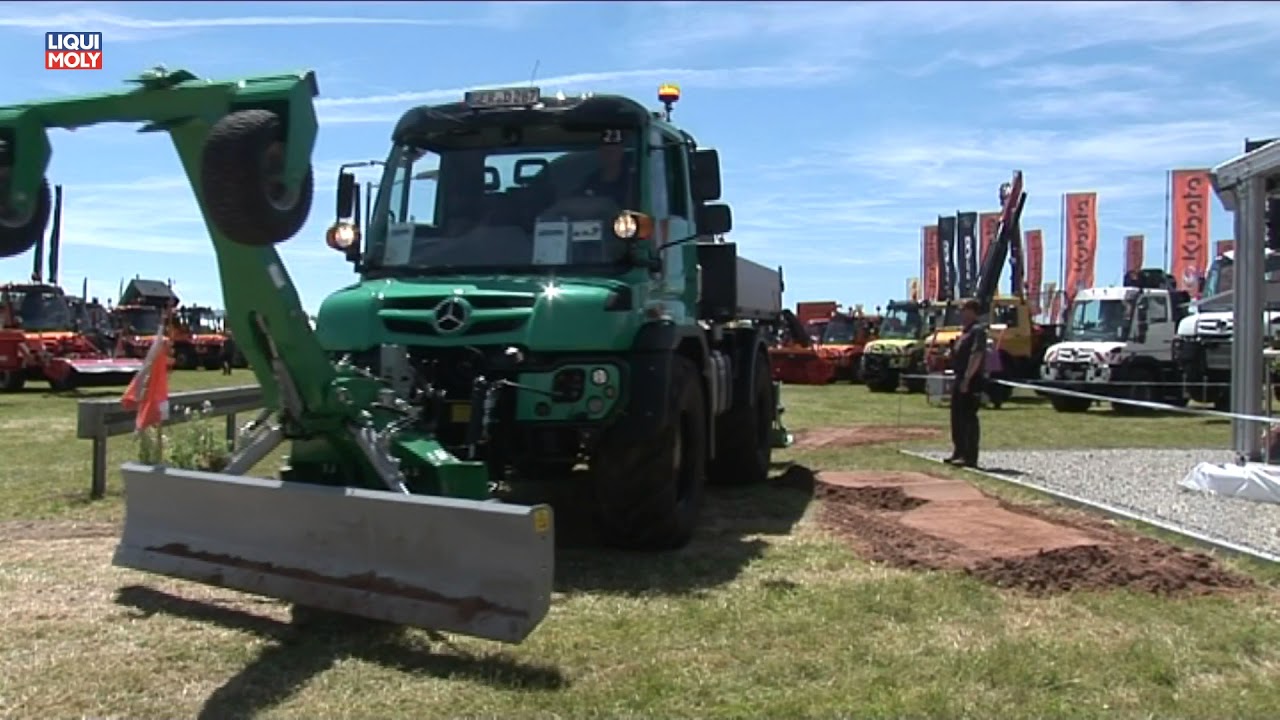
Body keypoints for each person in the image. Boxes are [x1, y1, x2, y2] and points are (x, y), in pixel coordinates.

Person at [946, 299, 988, 468]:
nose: (960, 313)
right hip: (959, 377)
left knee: (968, 417)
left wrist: (967, 379)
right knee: (956, 417)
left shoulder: (978, 331)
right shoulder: (965, 331)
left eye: (963, 310)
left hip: (971, 379)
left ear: (972, 311)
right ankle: (959, 451)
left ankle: (970, 456)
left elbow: (976, 355)